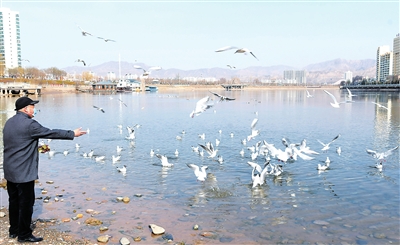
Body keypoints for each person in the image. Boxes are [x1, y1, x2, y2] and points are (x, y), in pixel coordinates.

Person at [2, 96, 86, 243]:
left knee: (13, 201)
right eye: (32, 106)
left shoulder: (9, 122)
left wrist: (38, 147)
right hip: (23, 173)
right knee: (26, 204)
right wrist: (72, 133)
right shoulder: (30, 124)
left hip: (10, 171)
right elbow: (51, 133)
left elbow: (18, 143)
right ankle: (24, 235)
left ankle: (13, 231)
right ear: (26, 109)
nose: (34, 108)